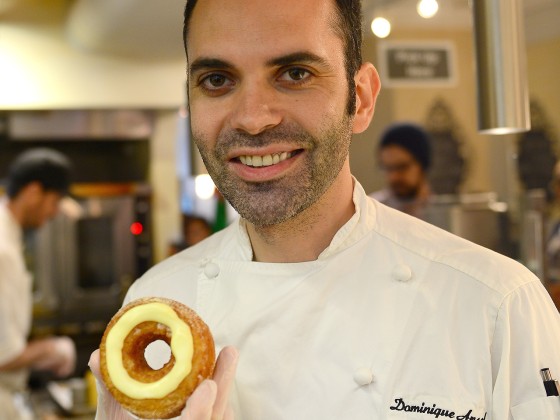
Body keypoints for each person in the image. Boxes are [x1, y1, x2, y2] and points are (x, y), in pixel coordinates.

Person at [89, 0, 560, 419]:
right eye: (217, 80)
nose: (254, 118)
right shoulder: (157, 298)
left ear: (362, 99)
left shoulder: (498, 304)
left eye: (295, 73)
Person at [0, 148, 76, 419]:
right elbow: (4, 356)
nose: (55, 212)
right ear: (33, 192)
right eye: (54, 201)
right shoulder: (3, 250)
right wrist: (53, 349)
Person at [370, 122, 432, 219]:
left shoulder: (444, 212)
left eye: (402, 167)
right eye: (388, 168)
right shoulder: (370, 213)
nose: (393, 177)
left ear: (422, 165)